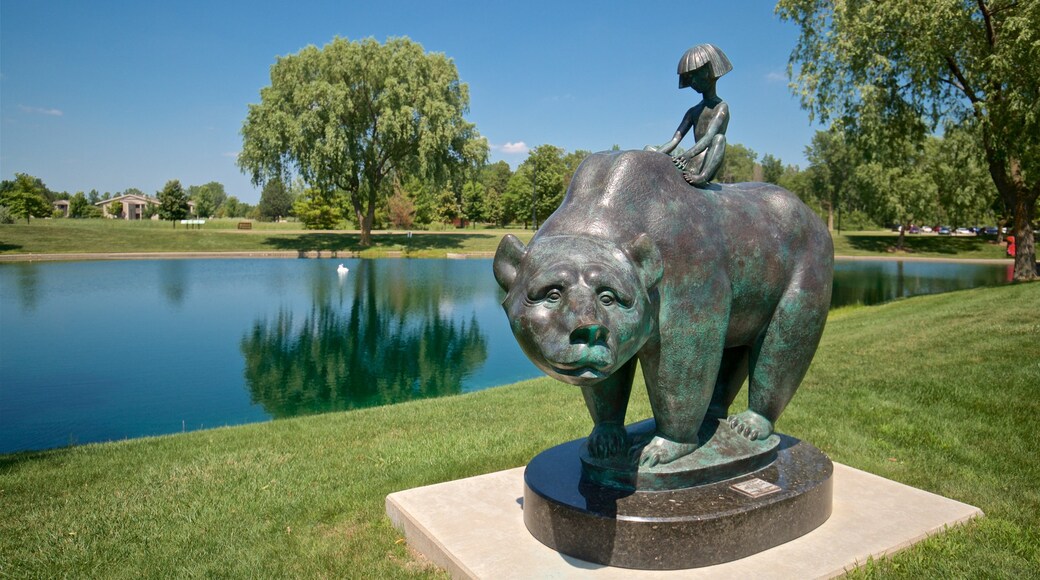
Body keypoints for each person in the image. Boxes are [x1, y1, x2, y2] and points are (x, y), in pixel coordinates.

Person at [646, 43, 732, 187]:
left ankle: (703, 178)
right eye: (689, 77)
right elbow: (674, 140)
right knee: (648, 150)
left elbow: (708, 137)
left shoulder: (721, 107)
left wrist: (687, 155)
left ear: (707, 72)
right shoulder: (693, 111)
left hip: (703, 163)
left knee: (719, 138)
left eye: (695, 75)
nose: (692, 81)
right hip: (688, 162)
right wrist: (654, 158)